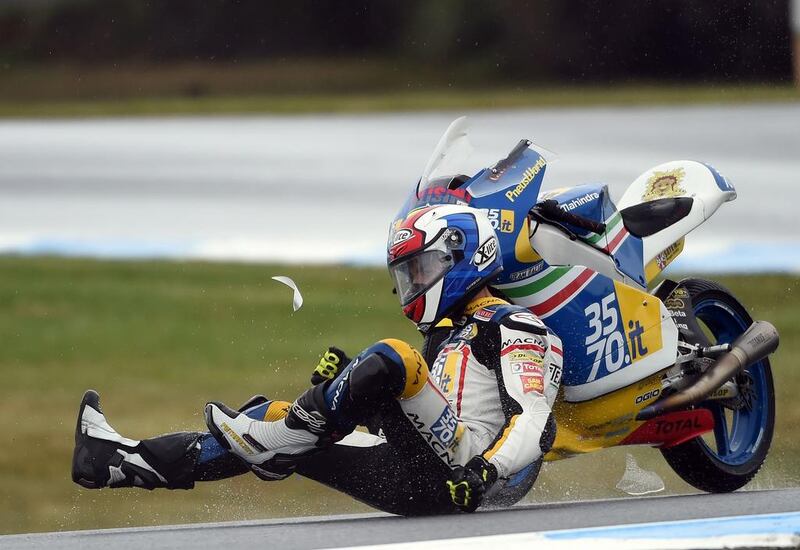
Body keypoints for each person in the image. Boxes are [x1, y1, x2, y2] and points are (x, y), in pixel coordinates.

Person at [72, 205, 563, 515]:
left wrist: (484, 474)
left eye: (421, 269)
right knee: (265, 418)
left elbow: (534, 422)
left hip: (470, 474)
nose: (412, 286)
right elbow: (418, 420)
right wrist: (352, 387)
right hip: (414, 476)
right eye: (406, 275)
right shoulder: (446, 335)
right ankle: (121, 461)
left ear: (466, 255)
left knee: (393, 358)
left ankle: (297, 430)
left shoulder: (515, 325)